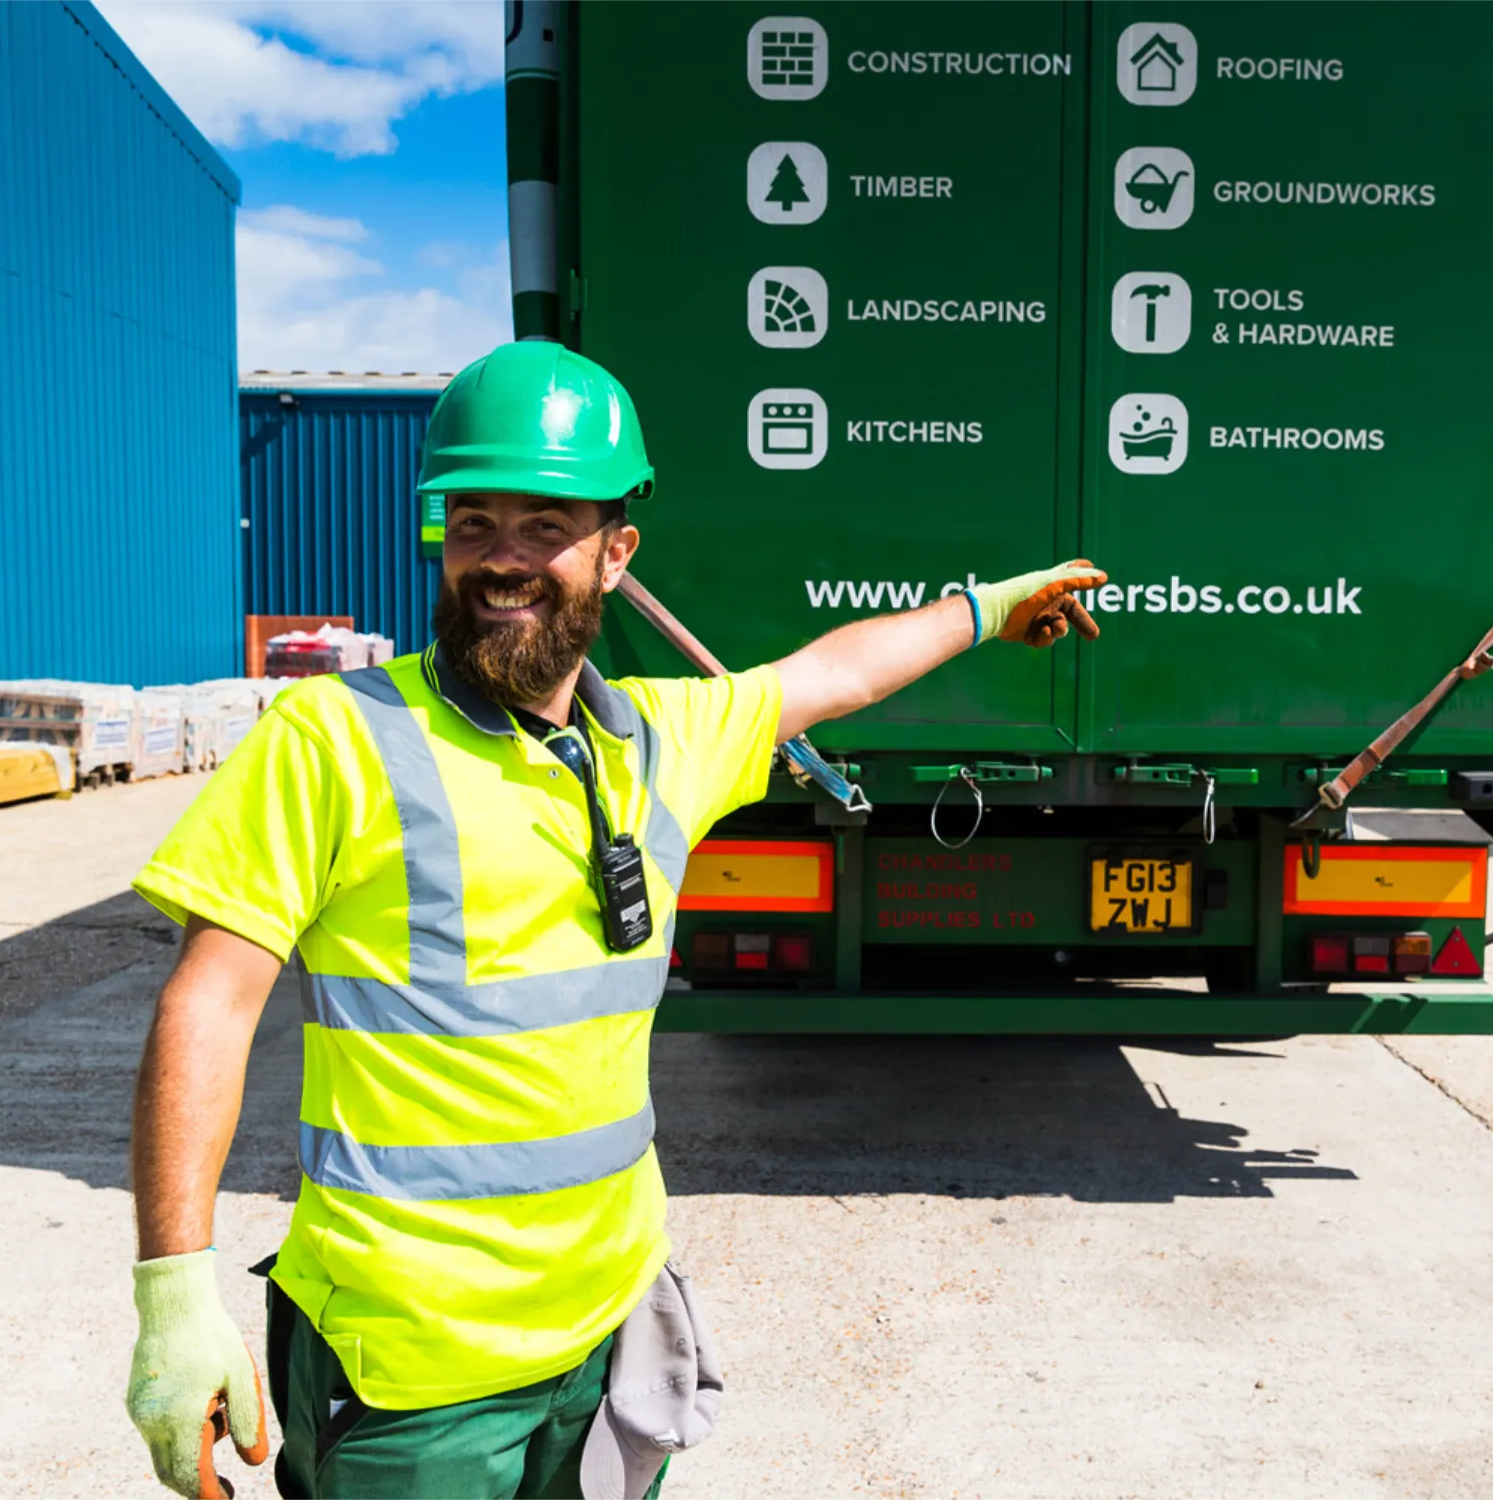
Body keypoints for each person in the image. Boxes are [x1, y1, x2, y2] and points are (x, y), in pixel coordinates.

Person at [123, 341, 1106, 1500]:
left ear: (615, 551)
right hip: (409, 1368)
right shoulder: (332, 739)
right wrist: (173, 1294)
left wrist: (986, 609)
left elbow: (832, 673)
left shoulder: (653, 741)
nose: (502, 560)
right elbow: (208, 1002)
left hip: (605, 1335)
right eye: (473, 522)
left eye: (545, 526)